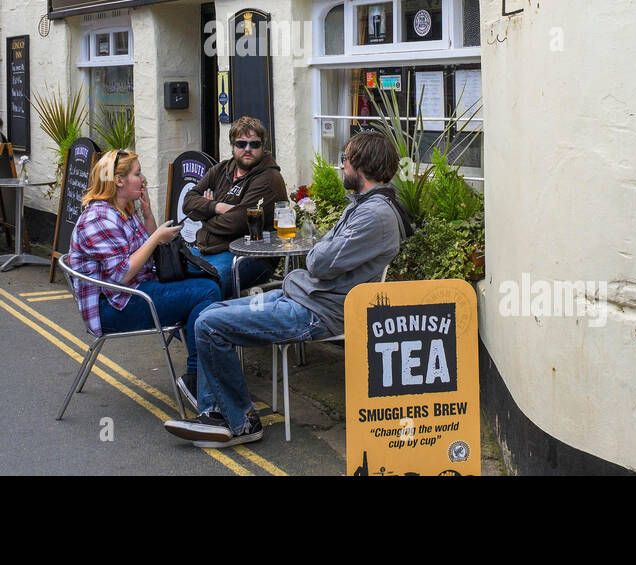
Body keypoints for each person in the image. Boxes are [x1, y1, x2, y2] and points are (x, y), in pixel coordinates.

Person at [164, 130, 412, 448]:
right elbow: (322, 250)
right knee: (208, 313)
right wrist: (321, 249)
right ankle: (215, 414)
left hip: (318, 310)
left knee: (211, 324)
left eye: (344, 160)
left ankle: (240, 423)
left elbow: (319, 262)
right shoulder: (363, 205)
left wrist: (321, 250)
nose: (341, 167)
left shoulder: (374, 215)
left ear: (360, 165)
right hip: (304, 295)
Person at [68, 149, 221, 400]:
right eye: (137, 174)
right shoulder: (99, 218)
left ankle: (200, 376)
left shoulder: (122, 209)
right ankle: (197, 377)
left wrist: (148, 215)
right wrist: (157, 237)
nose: (143, 180)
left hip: (135, 291)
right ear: (119, 181)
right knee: (208, 291)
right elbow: (121, 275)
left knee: (210, 281)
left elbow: (148, 250)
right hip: (114, 307)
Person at [180, 116, 288, 297]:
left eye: (254, 144)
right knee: (171, 276)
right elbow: (188, 202)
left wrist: (205, 215)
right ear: (232, 145)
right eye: (241, 144)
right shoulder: (221, 170)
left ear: (263, 146)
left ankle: (202, 325)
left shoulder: (269, 178)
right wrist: (216, 207)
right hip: (205, 250)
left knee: (205, 289)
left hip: (248, 256)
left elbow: (239, 222)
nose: (247, 149)